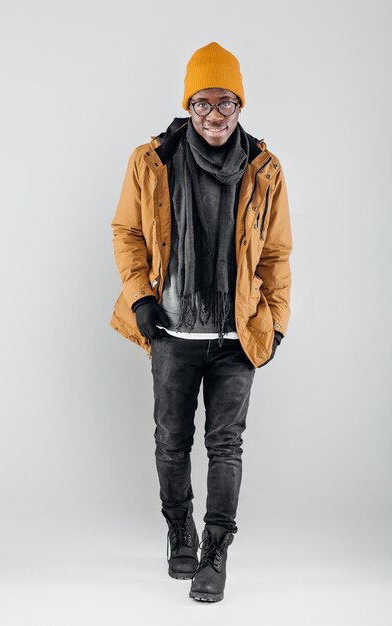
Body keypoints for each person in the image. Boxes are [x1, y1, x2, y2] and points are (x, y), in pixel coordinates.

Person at [110, 41, 293, 602]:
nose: (215, 116)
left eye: (226, 103)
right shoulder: (151, 161)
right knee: (171, 440)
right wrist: (141, 300)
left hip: (238, 333)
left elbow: (276, 255)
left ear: (241, 105)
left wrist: (276, 322)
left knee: (225, 445)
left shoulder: (265, 168)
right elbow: (128, 232)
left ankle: (216, 550)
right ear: (188, 106)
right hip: (170, 329)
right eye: (203, 104)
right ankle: (179, 529)